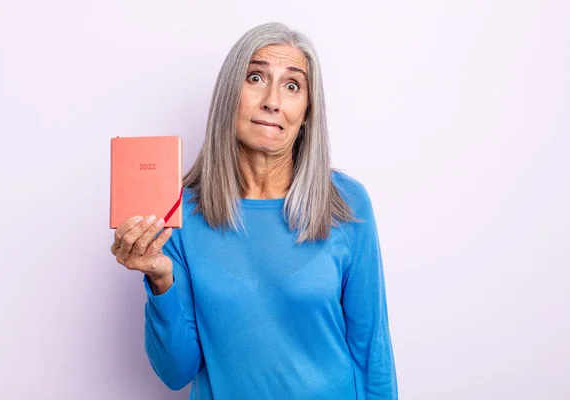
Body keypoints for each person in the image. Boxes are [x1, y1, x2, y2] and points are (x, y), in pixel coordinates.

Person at [111, 22, 398, 400]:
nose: (273, 100)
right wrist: (161, 281)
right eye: (256, 77)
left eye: (292, 85)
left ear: (307, 112)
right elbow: (176, 371)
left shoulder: (345, 203)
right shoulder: (180, 210)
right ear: (230, 94)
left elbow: (371, 350)